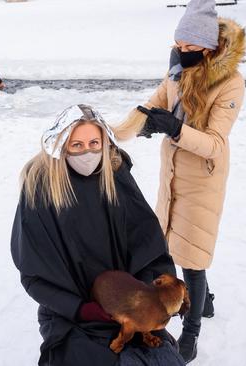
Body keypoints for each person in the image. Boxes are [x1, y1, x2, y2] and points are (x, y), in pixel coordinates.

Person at [113, 0, 246, 362]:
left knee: (193, 257)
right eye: (178, 45)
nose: (181, 52)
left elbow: (215, 144)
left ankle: (192, 330)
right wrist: (127, 129)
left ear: (208, 47)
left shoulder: (230, 83)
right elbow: (153, 104)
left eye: (189, 48)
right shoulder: (176, 71)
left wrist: (174, 127)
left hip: (203, 178)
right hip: (172, 174)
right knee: (171, 242)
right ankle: (208, 300)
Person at [11, 104, 185, 366]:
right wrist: (80, 309)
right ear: (60, 145)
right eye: (77, 145)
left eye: (94, 142)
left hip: (131, 302)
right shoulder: (41, 190)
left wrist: (149, 293)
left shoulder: (116, 176)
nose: (87, 152)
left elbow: (146, 241)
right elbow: (36, 273)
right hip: (73, 313)